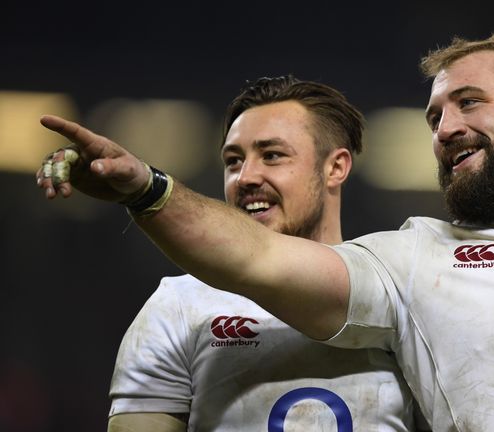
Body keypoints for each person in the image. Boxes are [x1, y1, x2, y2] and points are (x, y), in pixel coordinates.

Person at [37, 33, 494, 431]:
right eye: (434, 118)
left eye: (468, 102)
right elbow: (257, 258)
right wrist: (148, 189)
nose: (445, 128)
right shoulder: (411, 260)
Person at [102, 76, 426, 431]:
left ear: (335, 167)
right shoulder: (178, 306)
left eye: (272, 156)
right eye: (233, 160)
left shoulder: (402, 296)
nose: (244, 177)